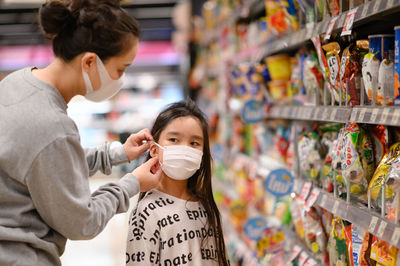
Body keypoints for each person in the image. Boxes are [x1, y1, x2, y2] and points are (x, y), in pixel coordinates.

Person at [0, 0, 162, 265]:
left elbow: (43, 164)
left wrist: (117, 154)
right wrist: (132, 183)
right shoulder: (52, 125)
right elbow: (82, 223)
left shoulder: (18, 81)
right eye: (120, 69)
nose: (120, 80)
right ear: (89, 62)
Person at [126, 99, 229, 266]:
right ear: (154, 149)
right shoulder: (146, 211)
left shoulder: (206, 205)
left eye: (194, 143)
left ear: (202, 154)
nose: (185, 148)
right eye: (174, 139)